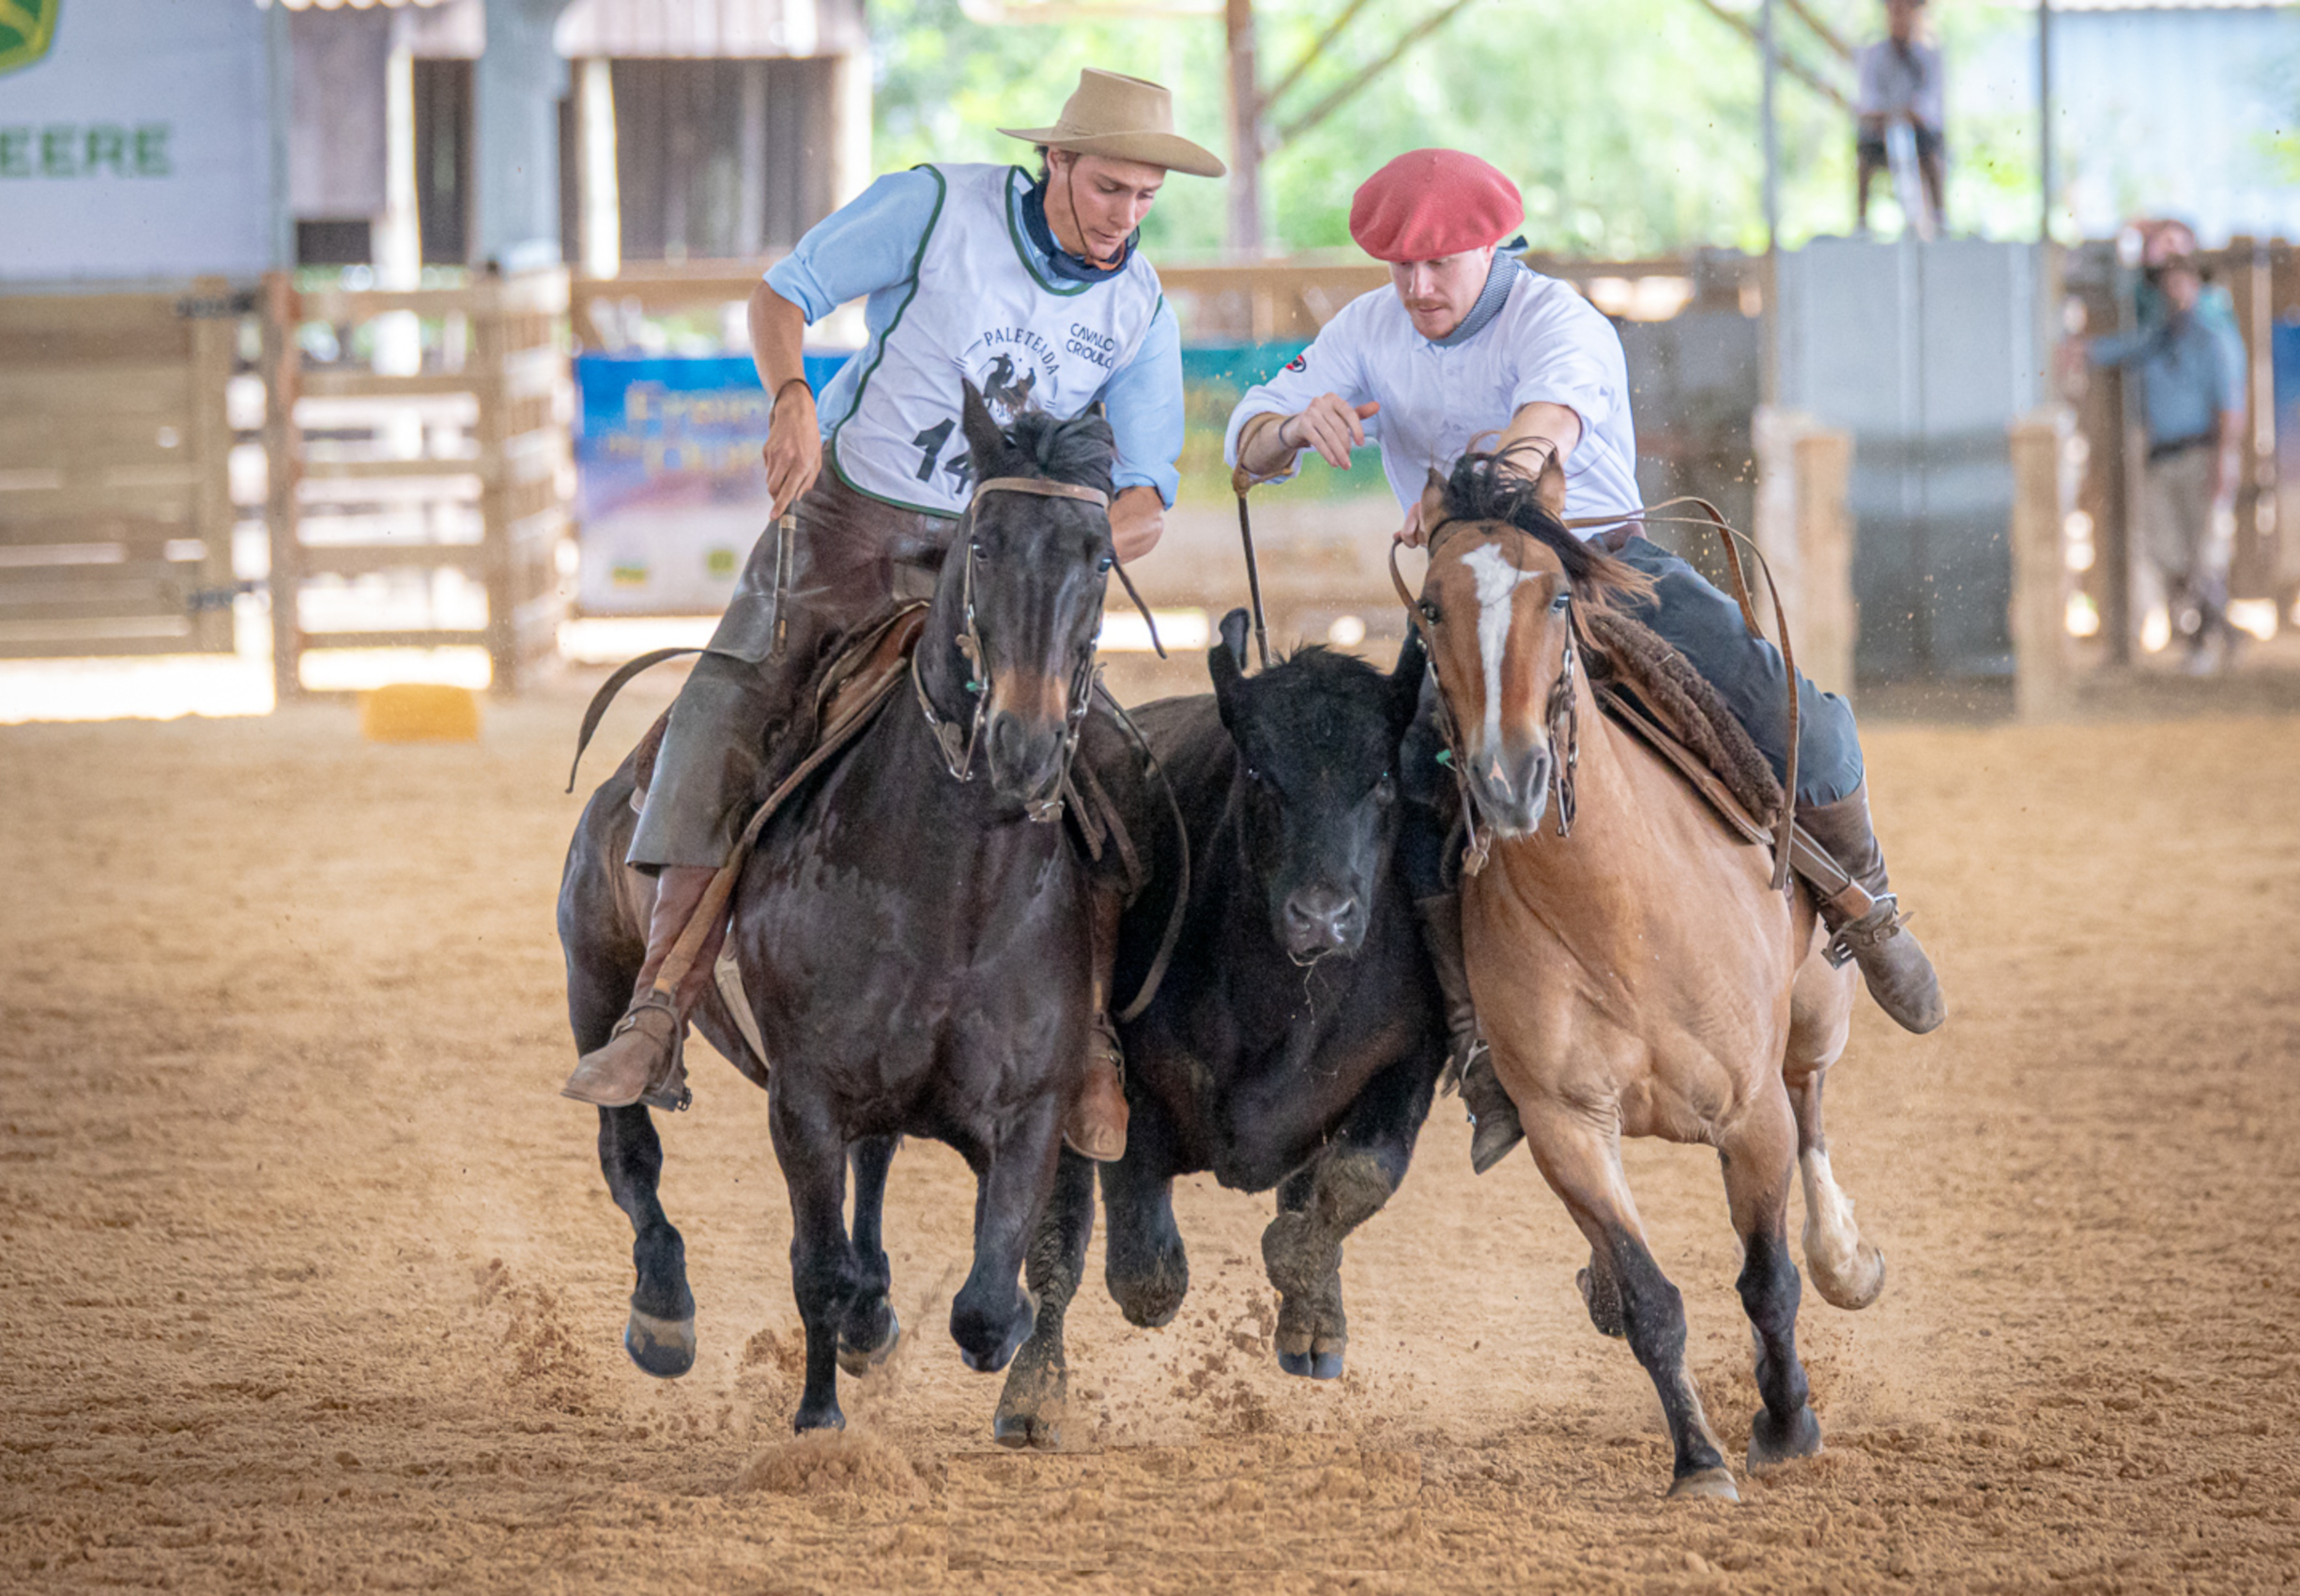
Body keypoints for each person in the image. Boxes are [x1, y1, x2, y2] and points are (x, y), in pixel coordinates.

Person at [1225, 148, 1944, 1173]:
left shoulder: (1558, 321)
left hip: (1600, 563)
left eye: (1441, 263)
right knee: (1416, 788)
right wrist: (1287, 426)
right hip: (1470, 596)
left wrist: (1477, 490)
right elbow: (1242, 444)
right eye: (1400, 267)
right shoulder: (1367, 329)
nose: (1419, 287)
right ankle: (1476, 1034)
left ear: (1492, 246)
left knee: (1802, 720)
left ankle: (1864, 907)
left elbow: (1543, 431)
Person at [561, 69, 1225, 1163]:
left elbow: (1150, 488)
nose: (1124, 216)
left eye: (1145, 197)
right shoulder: (934, 208)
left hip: (1001, 561)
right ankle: (660, 1000)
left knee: (1103, 760)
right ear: (1054, 163)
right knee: (730, 707)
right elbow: (782, 295)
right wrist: (791, 399)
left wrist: (1076, 533)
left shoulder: (1138, 307)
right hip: (847, 529)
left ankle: (1092, 1033)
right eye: (1109, 187)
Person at [2088, 253, 2249, 674]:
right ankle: (2217, 632)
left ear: (2196, 286)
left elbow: (2230, 409)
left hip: (2201, 454)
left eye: (2182, 282)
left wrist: (2224, 461)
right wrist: (2075, 349)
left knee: (2203, 550)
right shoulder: (2156, 339)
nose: (2174, 292)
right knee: (2167, 552)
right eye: (2167, 284)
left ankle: (2203, 640)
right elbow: (2108, 351)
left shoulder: (2215, 339)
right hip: (2163, 458)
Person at [1854, 0, 1946, 235]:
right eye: (1893, 11)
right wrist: (1891, 114)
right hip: (1881, 131)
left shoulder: (1929, 56)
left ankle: (1940, 221)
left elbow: (1932, 103)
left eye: (1904, 11)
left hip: (1919, 133)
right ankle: (1862, 223)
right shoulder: (1873, 55)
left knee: (1934, 153)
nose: (1898, 18)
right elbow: (1868, 99)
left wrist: (1910, 114)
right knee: (1864, 155)